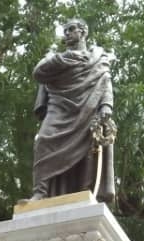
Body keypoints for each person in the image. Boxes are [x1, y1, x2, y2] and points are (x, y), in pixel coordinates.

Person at [31, 19, 116, 203]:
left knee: (89, 145)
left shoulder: (98, 60)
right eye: (65, 31)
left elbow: (105, 82)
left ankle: (85, 189)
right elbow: (38, 73)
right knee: (43, 141)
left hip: (88, 109)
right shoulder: (57, 59)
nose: (67, 34)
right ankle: (40, 192)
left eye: (71, 30)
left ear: (83, 32)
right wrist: (58, 59)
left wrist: (106, 105)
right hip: (59, 107)